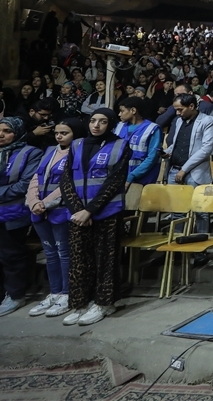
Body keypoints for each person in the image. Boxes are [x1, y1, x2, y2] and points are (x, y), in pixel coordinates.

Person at [59, 108, 131, 326]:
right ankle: (80, 303)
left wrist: (90, 210)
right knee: (80, 259)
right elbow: (66, 179)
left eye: (102, 121)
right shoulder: (77, 144)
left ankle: (104, 303)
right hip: (78, 213)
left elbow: (115, 181)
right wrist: (77, 210)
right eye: (92, 121)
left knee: (105, 260)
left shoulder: (120, 145)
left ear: (110, 124)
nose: (96, 125)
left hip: (106, 212)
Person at [26, 118, 85, 317]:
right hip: (39, 210)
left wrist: (46, 203)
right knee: (49, 254)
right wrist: (33, 200)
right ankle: (55, 292)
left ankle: (67, 294)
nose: (59, 136)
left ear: (75, 134)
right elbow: (36, 177)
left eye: (65, 133)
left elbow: (67, 184)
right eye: (57, 133)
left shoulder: (77, 152)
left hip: (59, 209)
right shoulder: (50, 151)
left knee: (64, 253)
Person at [0, 116, 43, 317]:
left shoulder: (31, 153)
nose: (0, 135)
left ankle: (15, 295)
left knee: (11, 256)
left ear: (18, 132)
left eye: (7, 131)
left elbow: (24, 185)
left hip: (14, 213)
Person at [163, 94, 213, 236]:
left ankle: (201, 249)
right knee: (177, 211)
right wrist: (166, 152)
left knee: (201, 211)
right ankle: (177, 247)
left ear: (191, 106)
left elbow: (206, 149)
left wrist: (184, 169)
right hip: (174, 169)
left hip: (195, 172)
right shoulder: (179, 121)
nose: (177, 113)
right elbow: (178, 143)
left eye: (180, 109)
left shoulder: (207, 121)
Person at [114, 97, 163, 186]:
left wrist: (132, 176)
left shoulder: (152, 129)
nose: (119, 114)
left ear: (133, 110)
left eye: (122, 111)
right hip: (119, 178)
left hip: (142, 180)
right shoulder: (119, 127)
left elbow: (152, 157)